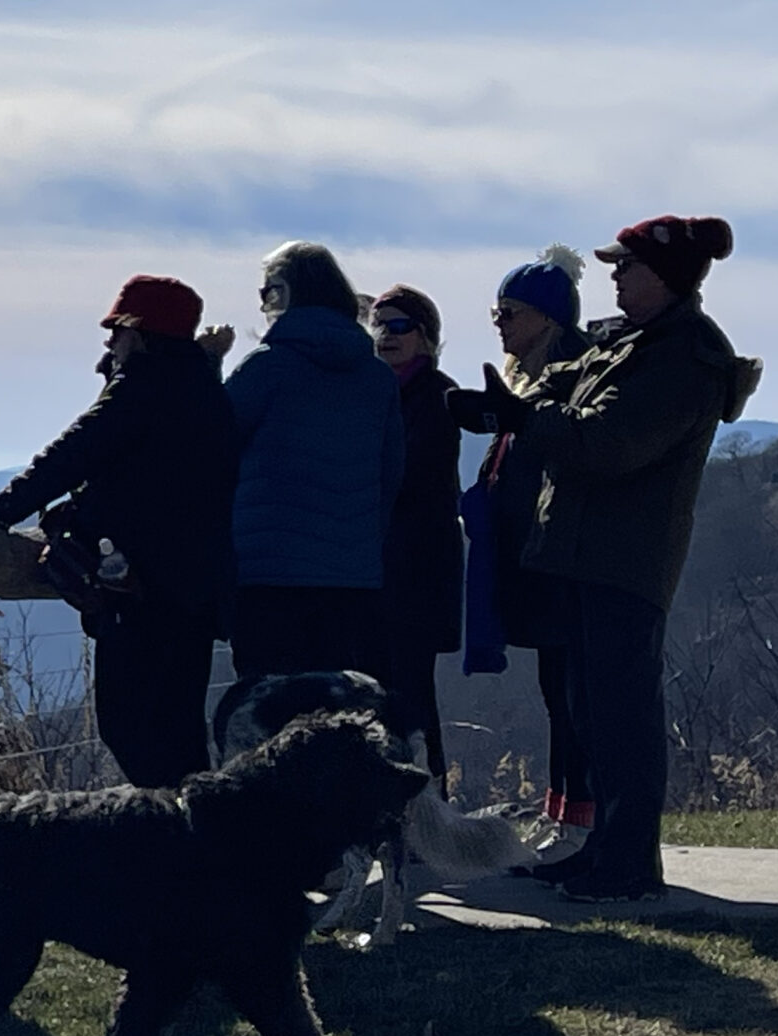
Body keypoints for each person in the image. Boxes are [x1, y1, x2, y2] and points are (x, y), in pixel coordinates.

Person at [450, 215, 762, 902]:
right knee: (589, 710)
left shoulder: (685, 355)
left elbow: (611, 443)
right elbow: (562, 386)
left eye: (626, 266)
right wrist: (505, 409)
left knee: (622, 717)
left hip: (626, 562)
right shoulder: (632, 344)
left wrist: (523, 419)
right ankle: (603, 852)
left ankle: (628, 864)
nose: (614, 278)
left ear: (664, 276)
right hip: (585, 555)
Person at [0, 275, 236, 786]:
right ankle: (197, 846)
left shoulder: (142, 387)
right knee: (179, 731)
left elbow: (70, 455)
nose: (109, 342)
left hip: (138, 591)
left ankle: (169, 844)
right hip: (197, 593)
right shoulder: (204, 390)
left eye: (115, 330)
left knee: (128, 727)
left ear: (139, 330)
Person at [455, 248, 596, 848]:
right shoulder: (530, 375)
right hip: (533, 554)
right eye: (496, 310)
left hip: (561, 557)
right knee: (554, 690)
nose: (499, 322)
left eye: (510, 311)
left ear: (546, 317)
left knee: (571, 695)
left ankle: (579, 818)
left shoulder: (569, 372)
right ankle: (561, 810)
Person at [222, 241, 405, 689]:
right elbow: (391, 473)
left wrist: (208, 364)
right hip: (351, 579)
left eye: (268, 292)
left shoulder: (267, 368)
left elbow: (212, 445)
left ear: (288, 294)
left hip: (268, 575)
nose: (264, 304)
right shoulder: (378, 377)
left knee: (269, 712)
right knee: (337, 709)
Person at [370, 283, 461, 790]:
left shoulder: (438, 396)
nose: (386, 336)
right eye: (378, 325)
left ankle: (431, 804)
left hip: (417, 572)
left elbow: (409, 475)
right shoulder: (374, 393)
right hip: (377, 570)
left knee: (412, 695)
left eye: (399, 325)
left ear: (425, 337)